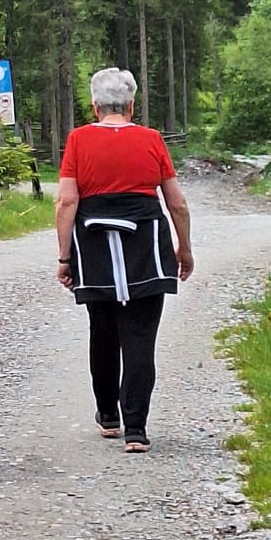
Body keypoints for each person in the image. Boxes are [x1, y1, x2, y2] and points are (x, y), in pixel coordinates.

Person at [55, 67, 194, 453]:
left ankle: (108, 415)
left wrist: (65, 257)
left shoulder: (78, 140)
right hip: (146, 249)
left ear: (94, 106)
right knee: (140, 337)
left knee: (102, 330)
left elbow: (66, 201)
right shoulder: (151, 140)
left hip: (94, 248)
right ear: (131, 105)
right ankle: (136, 429)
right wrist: (184, 248)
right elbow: (177, 203)